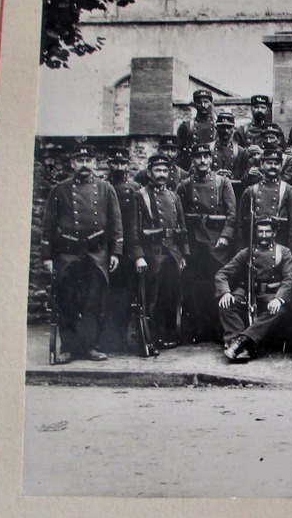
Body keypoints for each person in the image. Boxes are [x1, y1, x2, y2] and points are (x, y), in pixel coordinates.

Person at [40, 145, 123, 362]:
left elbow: (116, 224)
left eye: (88, 160)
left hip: (96, 254)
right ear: (72, 164)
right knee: (66, 302)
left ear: (95, 164)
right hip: (68, 254)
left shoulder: (106, 189)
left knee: (93, 303)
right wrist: (47, 256)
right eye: (80, 160)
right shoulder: (60, 190)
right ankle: (68, 347)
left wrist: (115, 252)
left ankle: (89, 346)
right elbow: (48, 225)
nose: (84, 165)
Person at [176, 142, 237, 345]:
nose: (202, 161)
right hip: (195, 242)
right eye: (198, 157)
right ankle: (198, 331)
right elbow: (179, 216)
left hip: (218, 243)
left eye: (206, 156)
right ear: (192, 160)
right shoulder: (185, 185)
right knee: (196, 289)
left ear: (211, 159)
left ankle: (221, 331)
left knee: (219, 287)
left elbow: (231, 213)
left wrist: (226, 236)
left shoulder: (222, 182)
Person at [214, 215, 292, 363]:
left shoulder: (283, 253)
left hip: (272, 296)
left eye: (267, 232)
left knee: (280, 311)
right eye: (260, 232)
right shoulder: (247, 253)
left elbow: (290, 279)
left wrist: (279, 298)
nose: (264, 236)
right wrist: (225, 292)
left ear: (274, 233)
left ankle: (241, 341)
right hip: (249, 294)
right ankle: (241, 345)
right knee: (226, 304)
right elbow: (222, 274)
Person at [138, 152, 190, 349]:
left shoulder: (174, 196)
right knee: (152, 296)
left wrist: (184, 253)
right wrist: (138, 257)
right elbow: (135, 231)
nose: (161, 174)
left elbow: (182, 227)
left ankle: (168, 335)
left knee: (171, 294)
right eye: (157, 170)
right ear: (149, 172)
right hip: (153, 253)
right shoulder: (141, 196)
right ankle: (151, 336)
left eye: (164, 170)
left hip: (173, 253)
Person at [102, 147, 146, 354]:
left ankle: (122, 338)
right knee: (104, 295)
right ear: (110, 164)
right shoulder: (102, 187)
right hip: (105, 248)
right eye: (115, 163)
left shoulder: (136, 188)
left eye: (123, 163)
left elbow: (136, 223)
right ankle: (104, 338)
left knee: (125, 296)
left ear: (128, 165)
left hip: (128, 250)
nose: (119, 167)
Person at [235, 149, 292, 266]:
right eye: (269, 163)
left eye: (276, 163)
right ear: (261, 165)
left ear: (281, 166)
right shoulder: (251, 191)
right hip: (255, 247)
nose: (273, 166)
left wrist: (291, 253)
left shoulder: (289, 191)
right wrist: (241, 251)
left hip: (280, 247)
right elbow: (240, 223)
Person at [210, 110, 246, 181]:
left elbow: (244, 176)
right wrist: (214, 175)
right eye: (222, 127)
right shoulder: (209, 148)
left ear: (234, 129)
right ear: (216, 128)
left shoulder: (241, 152)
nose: (226, 131)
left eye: (229, 127)